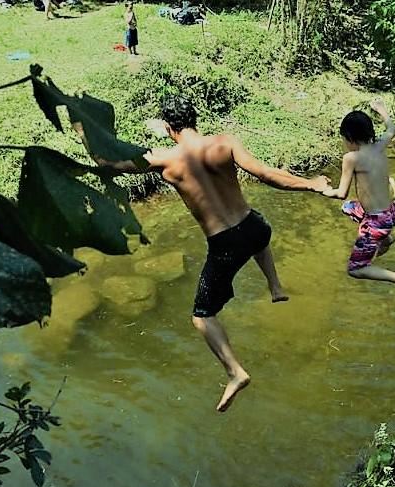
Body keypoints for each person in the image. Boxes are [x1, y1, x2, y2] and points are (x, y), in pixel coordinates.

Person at [73, 95, 330, 412]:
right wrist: (311, 183)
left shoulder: (165, 159)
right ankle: (274, 285)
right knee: (259, 230)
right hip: (254, 227)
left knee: (202, 316)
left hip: (225, 244)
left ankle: (235, 372)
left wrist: (83, 132)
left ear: (169, 128)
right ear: (195, 119)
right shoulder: (225, 143)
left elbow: (108, 163)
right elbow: (266, 174)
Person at [320, 101, 395, 305]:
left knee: (355, 269)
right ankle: (386, 239)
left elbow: (341, 193)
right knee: (348, 207)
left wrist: (321, 188)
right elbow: (391, 129)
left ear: (350, 138)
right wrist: (382, 110)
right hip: (391, 214)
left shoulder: (351, 158)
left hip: (375, 223)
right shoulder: (379, 146)